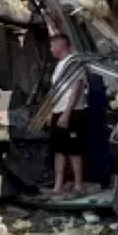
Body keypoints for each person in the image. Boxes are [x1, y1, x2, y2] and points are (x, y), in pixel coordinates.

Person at [47, 33, 89, 197]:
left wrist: (66, 113)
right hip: (59, 111)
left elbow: (76, 88)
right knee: (59, 149)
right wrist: (53, 112)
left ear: (59, 46)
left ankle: (79, 185)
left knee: (74, 149)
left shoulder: (73, 63)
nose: (50, 49)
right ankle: (58, 185)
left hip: (72, 112)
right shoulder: (59, 65)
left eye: (52, 46)